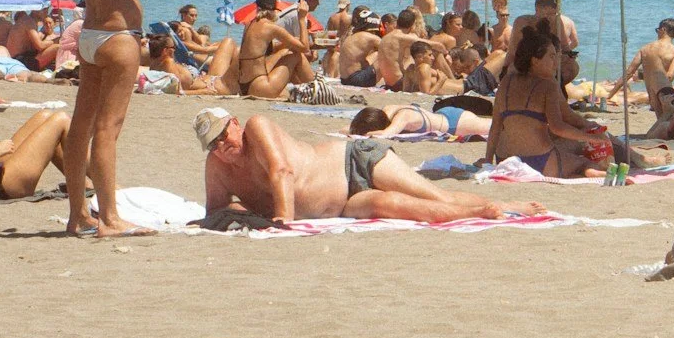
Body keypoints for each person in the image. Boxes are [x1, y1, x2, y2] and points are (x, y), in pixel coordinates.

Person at [64, 0, 187, 238]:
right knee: (107, 129)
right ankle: (110, 218)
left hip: (90, 35)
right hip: (117, 38)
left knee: (81, 126)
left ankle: (77, 215)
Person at [197, 109, 511, 222]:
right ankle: (475, 212)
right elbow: (216, 210)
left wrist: (280, 218)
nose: (223, 145)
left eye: (224, 133)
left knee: (435, 196)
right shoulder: (217, 166)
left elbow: (282, 171)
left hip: (353, 160)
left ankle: (510, 206)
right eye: (214, 143)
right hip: (343, 204)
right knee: (396, 205)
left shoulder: (256, 126)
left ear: (235, 123)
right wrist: (247, 212)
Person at [487, 19, 608, 177]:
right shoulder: (547, 85)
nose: (556, 62)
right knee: (585, 163)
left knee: (573, 149)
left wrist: (488, 162)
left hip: (506, 159)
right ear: (535, 60)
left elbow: (495, 127)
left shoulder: (506, 83)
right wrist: (590, 137)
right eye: (551, 57)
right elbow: (558, 127)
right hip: (539, 160)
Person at [231, 0, 318, 99]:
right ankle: (316, 89)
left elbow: (265, 49)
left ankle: (309, 88)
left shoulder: (249, 24)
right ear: (275, 9)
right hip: (261, 86)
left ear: (256, 7)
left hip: (244, 85)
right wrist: (302, 18)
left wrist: (288, 44)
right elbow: (305, 48)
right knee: (296, 55)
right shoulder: (270, 27)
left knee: (290, 53)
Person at [613, 19, 674, 116]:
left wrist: (612, 93)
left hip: (652, 94)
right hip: (665, 93)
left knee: (662, 120)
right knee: (666, 121)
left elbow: (629, 73)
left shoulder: (645, 49)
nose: (657, 33)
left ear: (663, 30)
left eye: (657, 30)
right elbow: (670, 75)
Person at [349, 103, 490, 141]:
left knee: (498, 126)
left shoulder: (404, 117)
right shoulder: (387, 110)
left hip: (456, 124)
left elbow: (385, 134)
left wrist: (365, 134)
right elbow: (350, 129)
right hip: (444, 115)